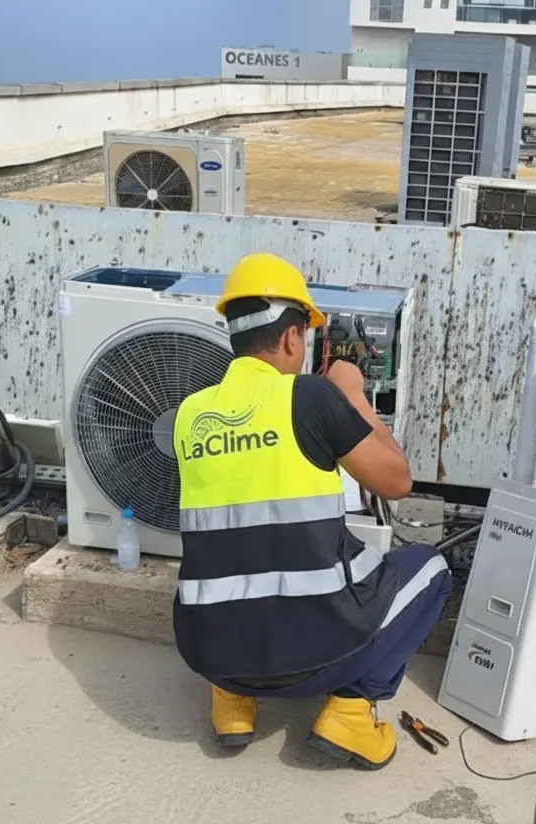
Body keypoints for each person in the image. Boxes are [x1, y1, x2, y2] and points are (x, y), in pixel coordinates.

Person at [171, 252, 453, 770]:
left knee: (232, 560)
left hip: (212, 652)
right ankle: (348, 713)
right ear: (291, 338)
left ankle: (232, 704)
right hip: (309, 658)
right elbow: (396, 481)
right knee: (430, 570)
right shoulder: (312, 396)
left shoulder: (190, 413)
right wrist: (351, 395)